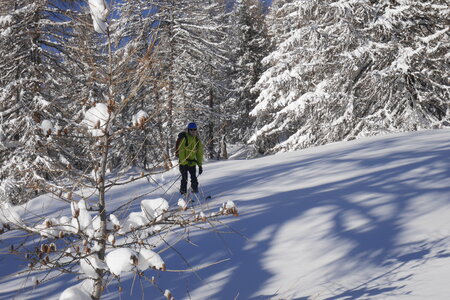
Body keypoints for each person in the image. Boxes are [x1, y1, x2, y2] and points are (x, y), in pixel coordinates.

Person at [178, 122, 204, 195]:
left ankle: (195, 193)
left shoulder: (197, 141)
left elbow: (199, 154)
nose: (193, 131)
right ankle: (183, 194)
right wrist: (184, 163)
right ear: (188, 130)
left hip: (192, 163)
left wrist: (200, 165)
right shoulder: (184, 139)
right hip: (183, 163)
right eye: (191, 129)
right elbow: (181, 152)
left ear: (196, 130)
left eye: (194, 129)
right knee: (184, 179)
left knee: (194, 178)